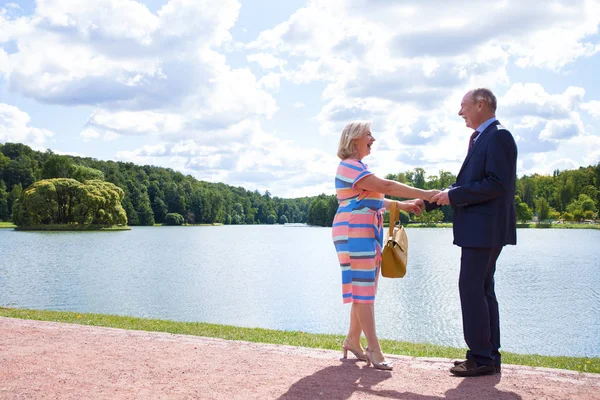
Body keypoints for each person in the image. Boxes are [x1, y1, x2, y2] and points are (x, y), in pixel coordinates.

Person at [332, 121, 439, 370]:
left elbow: (375, 199)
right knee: (363, 291)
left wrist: (403, 206)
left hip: (363, 229)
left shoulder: (358, 168)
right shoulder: (348, 167)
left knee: (365, 290)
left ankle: (352, 340)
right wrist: (426, 193)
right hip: (353, 231)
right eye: (369, 134)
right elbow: (387, 186)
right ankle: (373, 349)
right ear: (354, 139)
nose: (373, 138)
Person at [427, 88, 517, 377]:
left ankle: (481, 357)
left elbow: (495, 184)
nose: (460, 112)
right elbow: (470, 184)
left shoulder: (499, 136)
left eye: (463, 105)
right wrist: (428, 202)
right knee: (482, 289)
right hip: (483, 229)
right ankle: (487, 355)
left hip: (485, 229)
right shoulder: (484, 137)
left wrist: (452, 197)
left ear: (481, 104)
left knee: (471, 288)